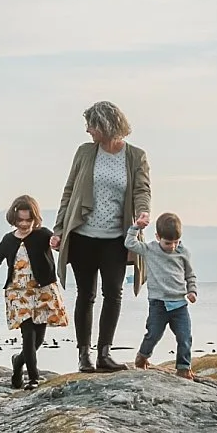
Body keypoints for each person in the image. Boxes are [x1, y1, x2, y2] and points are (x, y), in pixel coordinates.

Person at [52, 101, 151, 373]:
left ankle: (104, 354)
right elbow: (69, 191)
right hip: (83, 235)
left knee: (113, 294)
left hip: (116, 238)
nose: (88, 131)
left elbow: (142, 190)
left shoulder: (136, 156)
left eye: (92, 125)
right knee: (85, 294)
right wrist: (59, 229)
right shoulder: (85, 152)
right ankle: (84, 355)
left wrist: (143, 213)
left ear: (106, 125)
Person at [0, 194, 68, 390]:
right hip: (18, 292)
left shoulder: (43, 234)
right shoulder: (8, 240)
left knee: (39, 339)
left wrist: (57, 243)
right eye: (20, 220)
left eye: (28, 219)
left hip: (43, 290)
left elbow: (58, 246)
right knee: (27, 336)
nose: (24, 224)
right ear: (14, 218)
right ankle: (34, 378)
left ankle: (18, 362)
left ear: (35, 217)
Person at [128, 212, 198, 378]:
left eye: (176, 242)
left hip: (180, 304)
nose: (172, 246)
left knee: (185, 337)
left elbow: (190, 275)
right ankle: (142, 356)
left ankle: (183, 367)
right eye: (168, 242)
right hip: (158, 304)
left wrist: (192, 290)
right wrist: (136, 227)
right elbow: (130, 243)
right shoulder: (150, 249)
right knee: (153, 334)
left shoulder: (183, 253)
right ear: (158, 236)